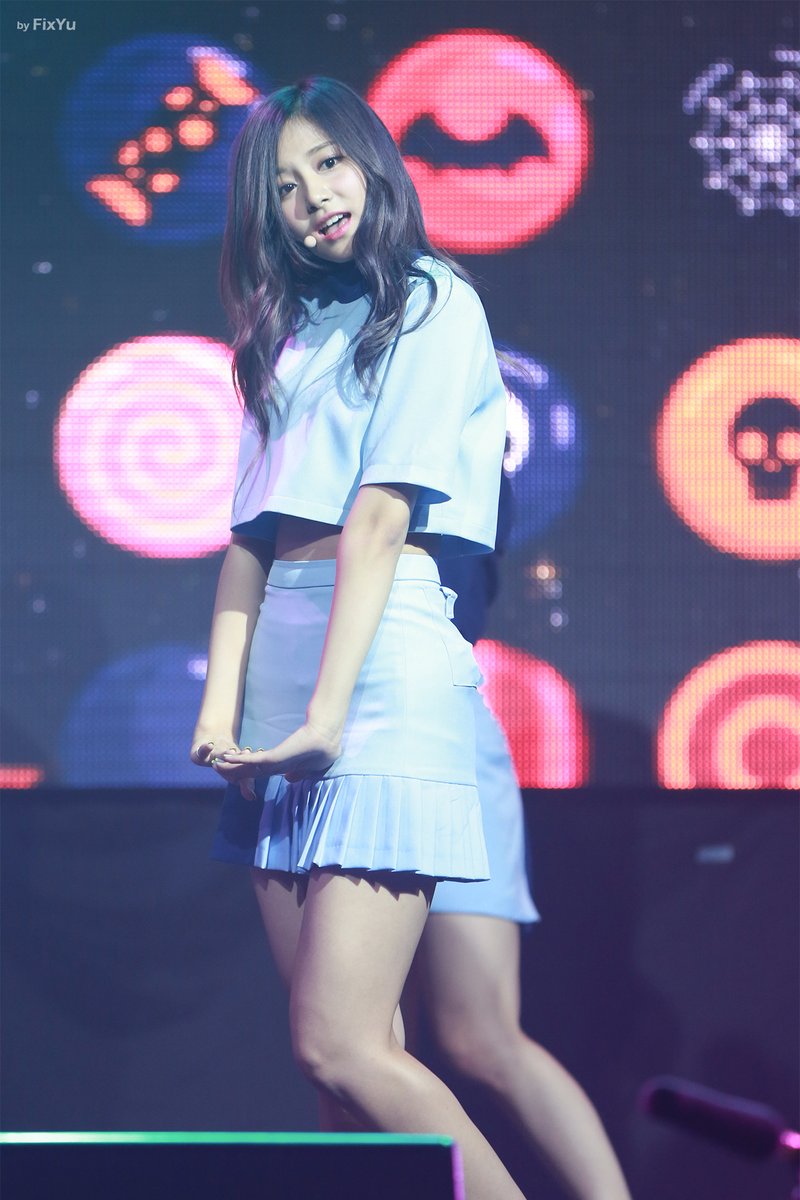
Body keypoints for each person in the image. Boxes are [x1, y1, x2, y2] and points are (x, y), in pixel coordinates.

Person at [190, 77, 526, 1199]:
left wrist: (327, 716)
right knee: (339, 1083)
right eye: (284, 187)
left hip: (379, 669)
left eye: (327, 164)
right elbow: (248, 543)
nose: (313, 198)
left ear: (372, 160)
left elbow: (378, 518)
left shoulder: (433, 298)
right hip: (279, 682)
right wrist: (222, 714)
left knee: (341, 1046)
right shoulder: (281, 333)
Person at [415, 512, 633, 1200]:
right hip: (337, 740)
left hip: (437, 726)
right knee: (347, 1045)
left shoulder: (450, 455)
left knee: (479, 1036)